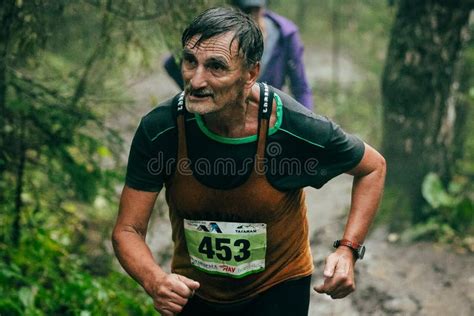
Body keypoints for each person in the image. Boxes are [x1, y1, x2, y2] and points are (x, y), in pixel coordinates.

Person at [113, 7, 385, 316]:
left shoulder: (290, 126)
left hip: (278, 288)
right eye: (190, 61)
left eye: (216, 67)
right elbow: (127, 230)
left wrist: (348, 250)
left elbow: (373, 167)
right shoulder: (161, 129)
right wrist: (155, 280)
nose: (195, 79)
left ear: (250, 74)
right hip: (195, 292)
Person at [163, 0, 314, 110]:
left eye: (256, 10)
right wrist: (201, 92)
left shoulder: (285, 34)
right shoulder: (220, 34)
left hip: (267, 112)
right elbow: (173, 62)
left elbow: (300, 86)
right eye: (247, 11)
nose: (253, 16)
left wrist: (305, 122)